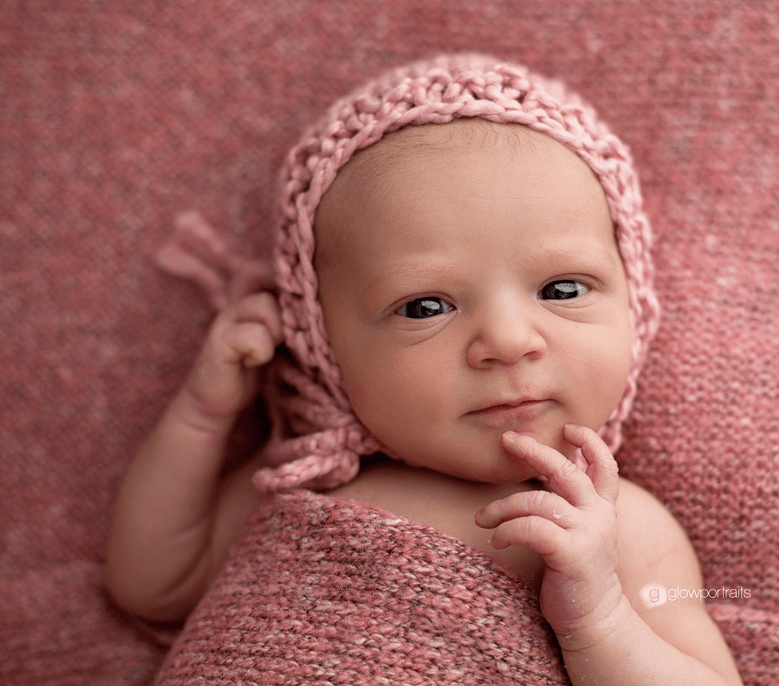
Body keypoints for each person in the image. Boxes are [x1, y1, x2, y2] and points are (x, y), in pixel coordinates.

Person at [106, 55, 743, 686]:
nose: (507, 341)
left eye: (563, 289)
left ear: (634, 302)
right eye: (425, 307)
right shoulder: (303, 481)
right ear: (322, 340)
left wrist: (600, 618)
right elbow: (152, 585)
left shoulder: (615, 529)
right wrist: (203, 415)